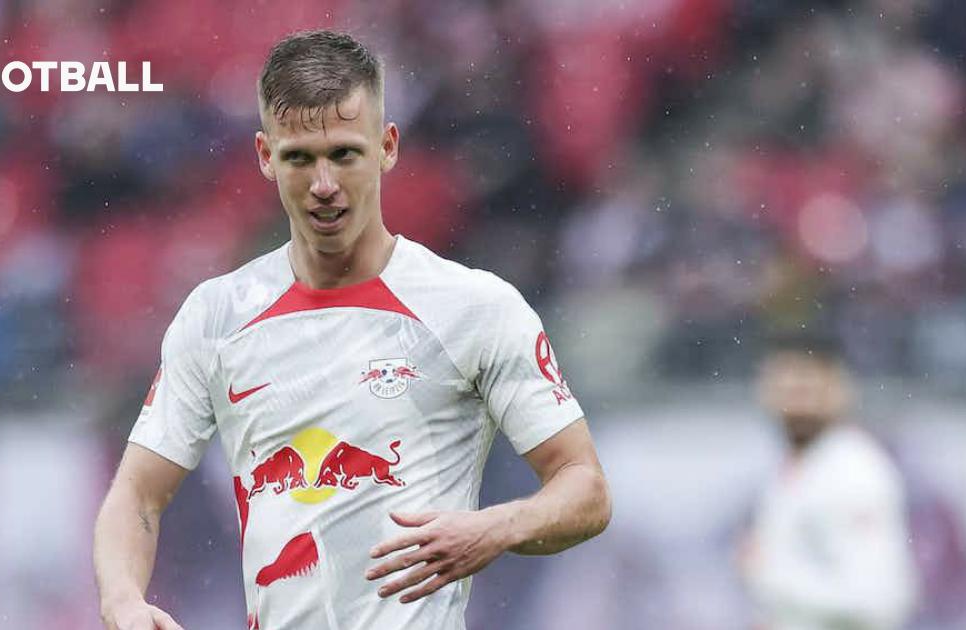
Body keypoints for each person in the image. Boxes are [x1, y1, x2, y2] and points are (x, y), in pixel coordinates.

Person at [93, 30, 611, 630]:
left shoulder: (475, 307)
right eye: (298, 158)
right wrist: (124, 600)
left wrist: (492, 529)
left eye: (344, 154)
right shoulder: (217, 315)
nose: (323, 185)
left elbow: (585, 488)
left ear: (387, 146)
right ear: (265, 156)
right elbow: (136, 495)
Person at [741, 332, 918, 630]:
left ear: (839, 391)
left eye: (805, 391)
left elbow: (878, 596)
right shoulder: (798, 469)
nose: (794, 406)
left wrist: (770, 573)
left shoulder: (854, 470)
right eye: (782, 389)